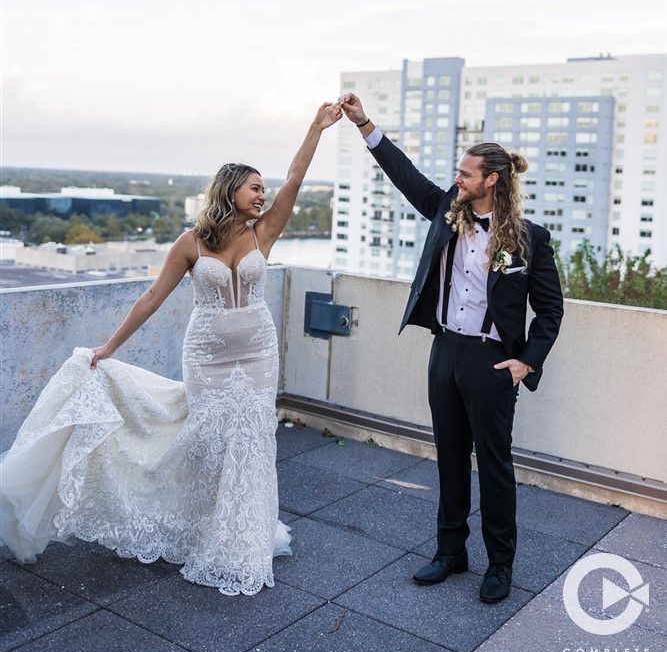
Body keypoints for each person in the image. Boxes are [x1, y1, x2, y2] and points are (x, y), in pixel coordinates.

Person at [0, 101, 342, 596]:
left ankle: (244, 538)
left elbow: (295, 178)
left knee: (251, 442)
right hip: (207, 357)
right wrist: (110, 347)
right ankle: (203, 527)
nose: (263, 193)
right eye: (254, 187)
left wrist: (316, 127)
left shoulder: (263, 232)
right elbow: (153, 297)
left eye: (263, 188)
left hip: (258, 354)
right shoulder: (191, 242)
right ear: (231, 191)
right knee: (207, 445)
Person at [339, 92, 564, 604]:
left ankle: (500, 565)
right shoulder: (446, 210)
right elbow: (405, 175)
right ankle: (450, 552)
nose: (457, 180)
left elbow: (551, 311)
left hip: (492, 362)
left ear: (493, 180)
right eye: (457, 172)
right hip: (444, 353)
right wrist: (364, 123)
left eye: (466, 174)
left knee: (495, 463)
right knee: (448, 459)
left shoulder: (529, 239)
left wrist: (525, 362)